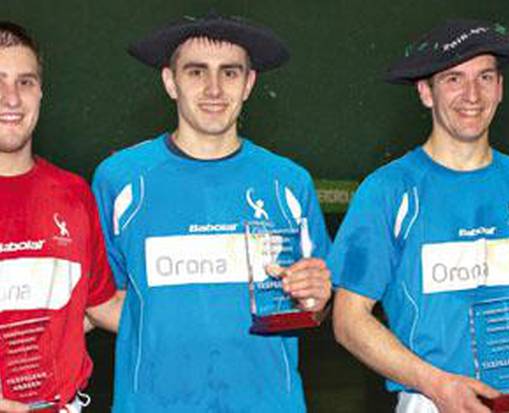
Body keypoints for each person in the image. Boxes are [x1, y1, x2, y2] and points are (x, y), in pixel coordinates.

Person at [329, 19, 509, 413]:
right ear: (426, 92)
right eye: (454, 79)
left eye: (485, 77)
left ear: (500, 88)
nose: (472, 95)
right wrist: (438, 386)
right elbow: (348, 320)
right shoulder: (387, 191)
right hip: (433, 403)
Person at [92, 12, 332, 413]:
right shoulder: (119, 180)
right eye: (196, 72)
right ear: (170, 81)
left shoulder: (289, 182)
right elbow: (99, 301)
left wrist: (316, 299)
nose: (214, 89)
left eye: (230, 73)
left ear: (249, 83)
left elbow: (312, 306)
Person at [0, 21, 122, 413]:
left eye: (25, 82)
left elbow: (101, 306)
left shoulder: (72, 194)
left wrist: (220, 304)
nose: (11, 99)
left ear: (40, 92)